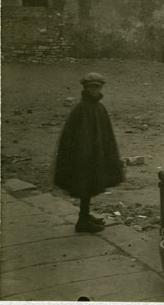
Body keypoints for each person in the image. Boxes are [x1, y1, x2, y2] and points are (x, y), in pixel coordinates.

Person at [54, 72, 123, 233]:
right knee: (85, 185)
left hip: (93, 155)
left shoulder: (98, 107)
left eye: (97, 87)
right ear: (85, 88)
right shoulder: (82, 108)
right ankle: (82, 221)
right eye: (91, 87)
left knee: (90, 185)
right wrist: (85, 155)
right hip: (83, 156)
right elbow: (77, 136)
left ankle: (84, 215)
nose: (94, 90)